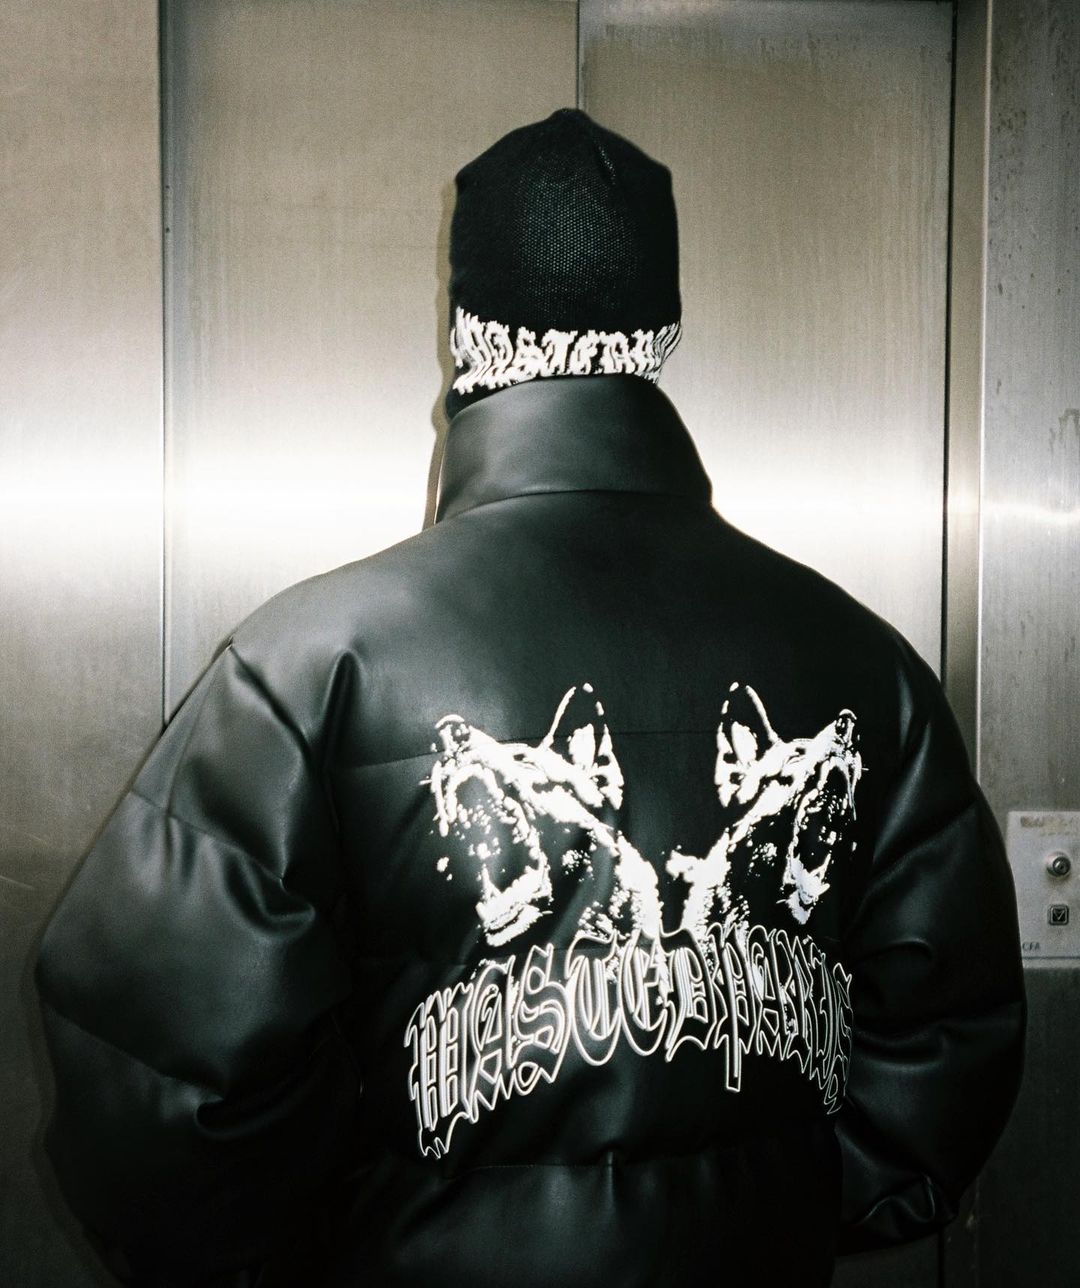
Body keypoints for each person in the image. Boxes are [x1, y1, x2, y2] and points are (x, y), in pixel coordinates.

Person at [36, 108, 1024, 1287]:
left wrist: (353, 1234)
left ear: (466, 339)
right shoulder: (867, 665)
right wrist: (770, 1197)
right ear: (658, 339)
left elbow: (155, 1079)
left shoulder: (309, 663)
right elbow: (948, 1050)